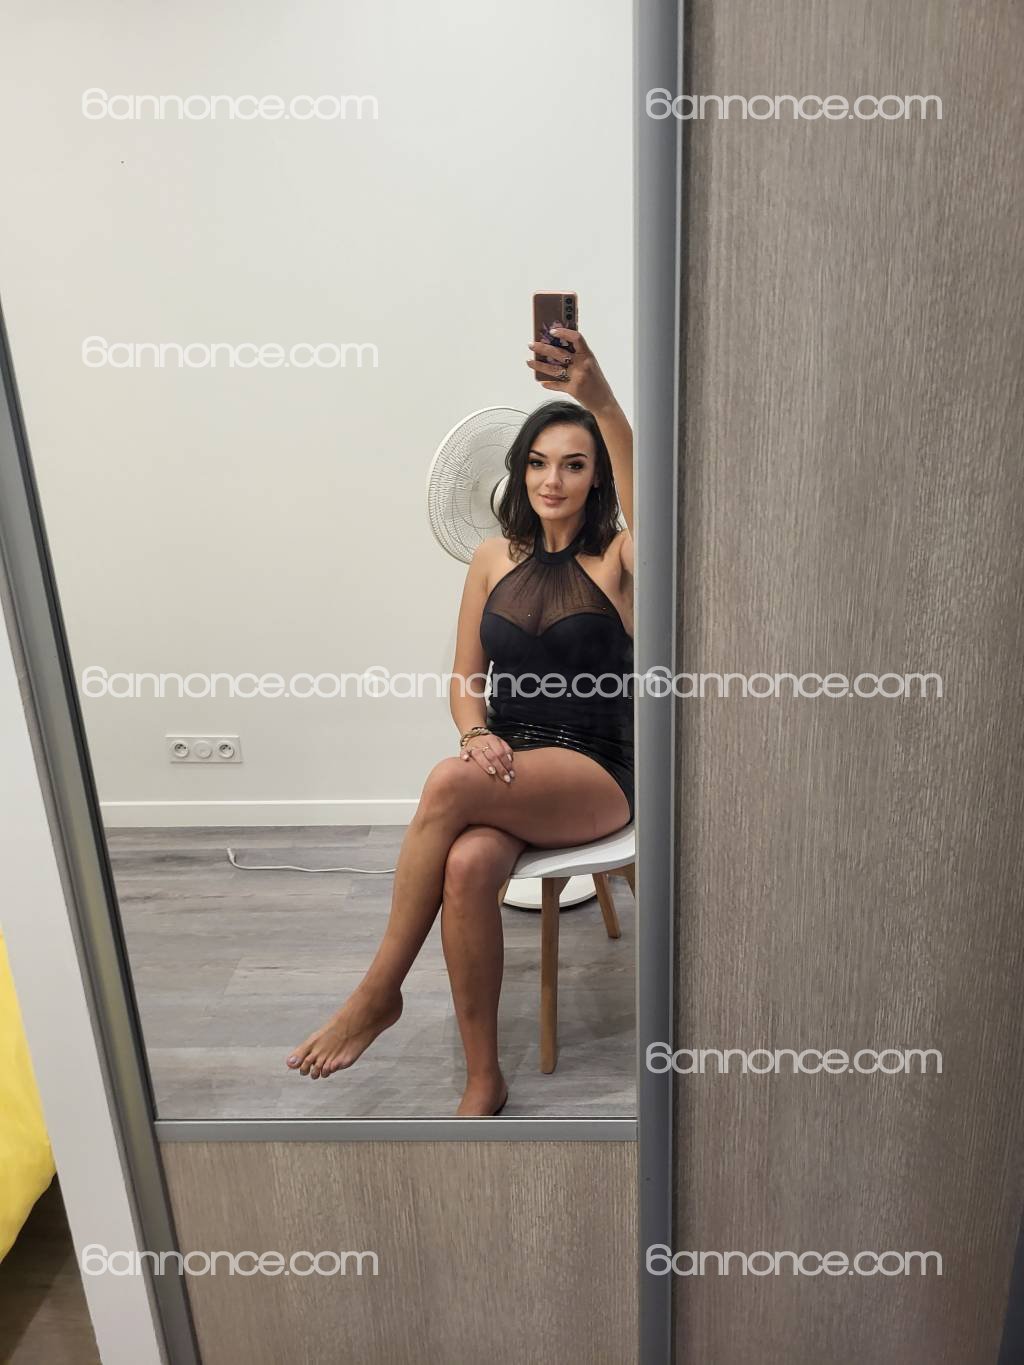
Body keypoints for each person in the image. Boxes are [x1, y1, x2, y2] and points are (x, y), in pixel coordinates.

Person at [285, 325, 635, 1116]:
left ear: (598, 476)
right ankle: (485, 1077)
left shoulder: (619, 557)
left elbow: (653, 517)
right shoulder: (490, 557)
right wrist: (475, 732)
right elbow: (465, 679)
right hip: (508, 762)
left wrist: (602, 402)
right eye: (538, 462)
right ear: (518, 470)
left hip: (597, 766)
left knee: (447, 784)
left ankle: (378, 991)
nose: (553, 479)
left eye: (574, 464)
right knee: (470, 865)